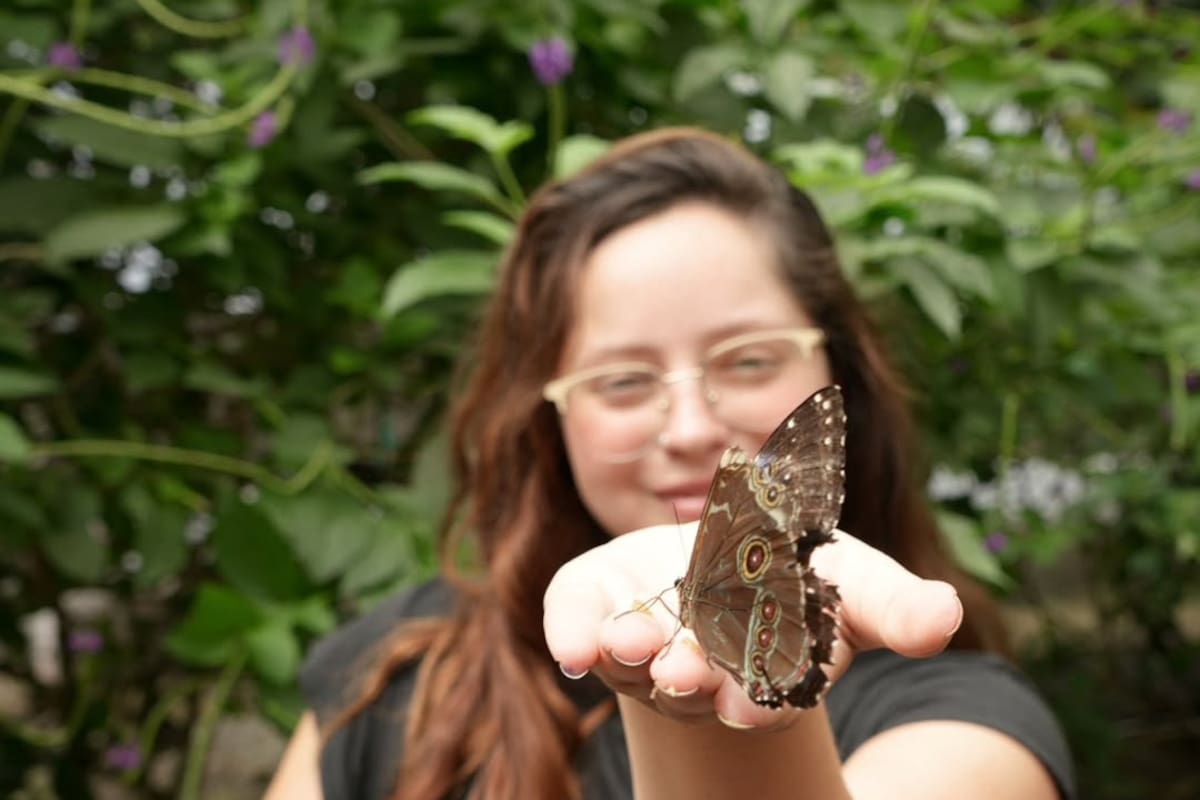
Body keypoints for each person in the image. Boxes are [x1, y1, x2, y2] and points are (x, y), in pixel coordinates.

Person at [266, 127, 1075, 800]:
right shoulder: (393, 674)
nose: (690, 429)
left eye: (750, 360)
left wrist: (707, 719)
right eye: (622, 381)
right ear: (549, 419)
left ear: (840, 377)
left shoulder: (959, 719)